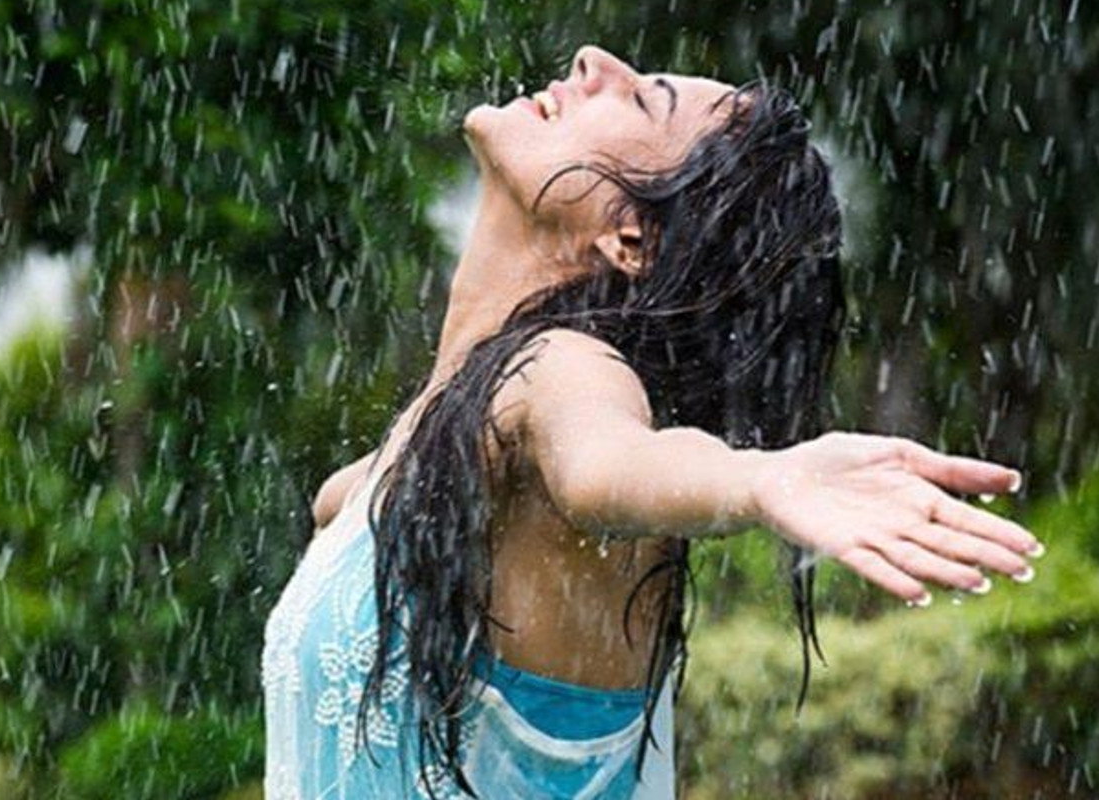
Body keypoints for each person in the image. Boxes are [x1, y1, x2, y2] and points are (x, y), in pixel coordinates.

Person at [262, 45, 1043, 800]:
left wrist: (755, 477)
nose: (592, 60)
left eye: (643, 99)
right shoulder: (385, 477)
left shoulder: (559, 370)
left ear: (630, 236)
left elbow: (610, 463)